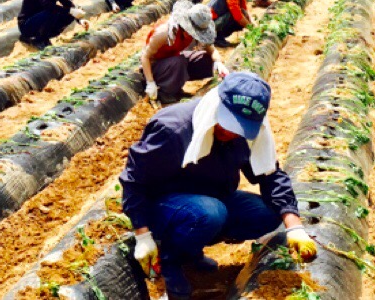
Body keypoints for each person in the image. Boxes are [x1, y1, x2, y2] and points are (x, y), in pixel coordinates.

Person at [121, 72, 317, 300]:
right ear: (217, 104)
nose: (232, 132)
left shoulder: (249, 133)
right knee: (209, 214)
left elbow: (270, 175)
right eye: (228, 123)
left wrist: (294, 226)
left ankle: (192, 249)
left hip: (210, 200)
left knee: (267, 213)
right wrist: (142, 234)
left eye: (240, 128)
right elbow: (134, 180)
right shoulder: (172, 129)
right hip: (164, 204)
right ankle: (170, 262)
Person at [141, 0, 227, 106]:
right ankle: (166, 93)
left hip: (173, 60)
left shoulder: (193, 33)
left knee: (206, 58)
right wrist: (150, 82)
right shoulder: (164, 33)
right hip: (156, 66)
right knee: (179, 62)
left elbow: (212, 50)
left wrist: (218, 63)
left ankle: (176, 87)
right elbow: (145, 57)